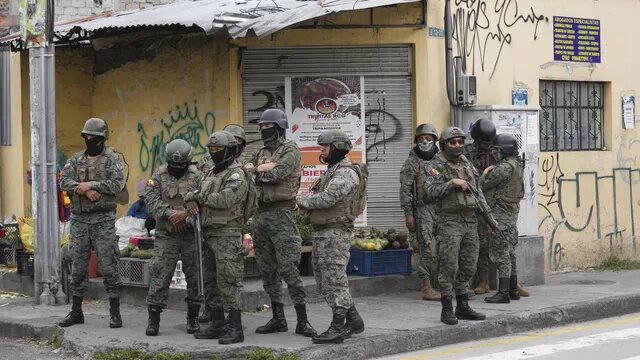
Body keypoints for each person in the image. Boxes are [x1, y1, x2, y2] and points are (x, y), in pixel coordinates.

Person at [245, 108, 316, 338]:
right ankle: (278, 318)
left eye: (269, 127)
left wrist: (258, 171)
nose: (264, 131)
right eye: (262, 127)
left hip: (282, 214)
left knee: (289, 269)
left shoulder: (291, 150)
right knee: (267, 270)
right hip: (261, 214)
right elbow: (247, 175)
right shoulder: (260, 153)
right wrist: (260, 169)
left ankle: (302, 320)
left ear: (279, 128)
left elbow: (279, 174)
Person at [298, 130, 366, 344]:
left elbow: (329, 198)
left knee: (334, 280)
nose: (322, 151)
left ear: (336, 147)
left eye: (325, 147)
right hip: (324, 232)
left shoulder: (345, 172)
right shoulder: (333, 171)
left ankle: (338, 325)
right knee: (325, 280)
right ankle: (353, 319)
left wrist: (304, 201)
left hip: (335, 234)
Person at [424, 126, 496, 326]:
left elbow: (478, 193)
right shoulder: (435, 165)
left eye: (460, 142)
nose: (457, 145)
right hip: (449, 222)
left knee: (469, 265)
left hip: (470, 221)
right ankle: (447, 309)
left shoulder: (466, 162)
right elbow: (428, 192)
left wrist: (490, 220)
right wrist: (452, 183)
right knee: (448, 266)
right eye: (452, 142)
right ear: (444, 145)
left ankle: (462, 306)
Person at [59, 118, 124, 328]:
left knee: (109, 266)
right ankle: (76, 311)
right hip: (79, 220)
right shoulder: (76, 160)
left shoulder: (113, 159)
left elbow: (116, 185)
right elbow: (63, 181)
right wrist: (85, 188)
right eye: (86, 136)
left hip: (103, 220)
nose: (89, 140)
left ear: (102, 138)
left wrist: (92, 184)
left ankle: (115, 312)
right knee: (78, 267)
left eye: (93, 137)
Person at [189, 131, 249, 345]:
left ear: (230, 150)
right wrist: (192, 201)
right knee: (210, 281)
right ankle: (217, 323)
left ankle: (235, 327)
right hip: (207, 233)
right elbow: (195, 193)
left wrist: (198, 198)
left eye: (218, 150)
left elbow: (227, 199)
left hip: (227, 234)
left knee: (229, 281)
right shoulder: (211, 173)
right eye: (211, 150)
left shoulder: (237, 174)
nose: (214, 154)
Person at [143, 139, 202, 336]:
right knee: (160, 274)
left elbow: (204, 200)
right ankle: (154, 319)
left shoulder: (197, 177)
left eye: (181, 165)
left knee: (195, 276)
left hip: (190, 235)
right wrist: (170, 214)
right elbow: (150, 200)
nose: (177, 168)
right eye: (174, 164)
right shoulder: (158, 176)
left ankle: (193, 318)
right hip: (166, 234)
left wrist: (186, 215)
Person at [399, 124, 441, 301]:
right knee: (423, 249)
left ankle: (444, 284)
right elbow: (405, 190)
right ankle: (426, 286)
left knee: (445, 247)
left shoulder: (441, 160)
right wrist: (408, 213)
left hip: (441, 209)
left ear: (434, 140)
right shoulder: (411, 162)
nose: (425, 141)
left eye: (428, 138)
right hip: (421, 210)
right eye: (421, 138)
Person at [481, 134, 525, 304]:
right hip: (511, 214)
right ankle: (513, 289)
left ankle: (503, 292)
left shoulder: (503, 168)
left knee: (501, 254)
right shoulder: (517, 165)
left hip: (500, 215)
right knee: (510, 252)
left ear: (504, 151)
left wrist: (484, 174)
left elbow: (482, 186)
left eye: (496, 150)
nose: (493, 153)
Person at [464, 118, 497, 296]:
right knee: (475, 245)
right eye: (483, 143)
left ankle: (509, 281)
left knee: (496, 244)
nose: (487, 146)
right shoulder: (467, 152)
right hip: (473, 204)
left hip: (492, 203)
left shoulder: (496, 151)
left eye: (488, 143)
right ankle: (480, 281)